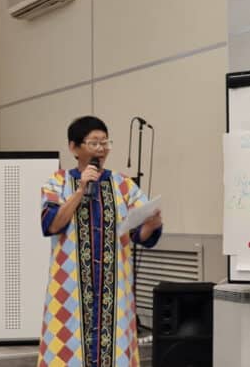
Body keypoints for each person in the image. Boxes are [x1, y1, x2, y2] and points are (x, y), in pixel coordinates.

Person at [37, 116, 162, 367]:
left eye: (105, 142)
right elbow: (51, 224)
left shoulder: (124, 185)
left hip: (114, 292)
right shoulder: (57, 182)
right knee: (66, 351)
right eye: (93, 143)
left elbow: (140, 235)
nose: (101, 149)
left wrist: (152, 223)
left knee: (115, 351)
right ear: (74, 147)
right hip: (68, 292)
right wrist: (80, 191)